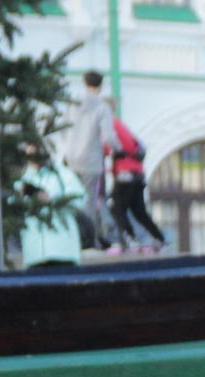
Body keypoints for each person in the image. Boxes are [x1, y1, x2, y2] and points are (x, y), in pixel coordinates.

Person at [62, 69, 115, 247]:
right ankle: (87, 242)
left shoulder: (72, 104)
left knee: (70, 200)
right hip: (91, 161)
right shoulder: (102, 107)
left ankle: (70, 239)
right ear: (100, 85)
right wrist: (120, 149)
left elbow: (62, 128)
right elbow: (107, 137)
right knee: (89, 203)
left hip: (70, 158)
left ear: (85, 83)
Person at [103, 106, 165, 254]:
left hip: (125, 173)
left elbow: (106, 146)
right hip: (137, 172)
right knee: (138, 210)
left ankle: (129, 239)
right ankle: (159, 237)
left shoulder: (109, 124)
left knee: (117, 207)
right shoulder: (121, 125)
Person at [17, 143, 84, 268]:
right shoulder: (21, 179)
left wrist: (52, 200)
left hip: (63, 251)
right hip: (34, 253)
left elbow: (79, 199)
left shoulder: (62, 174)